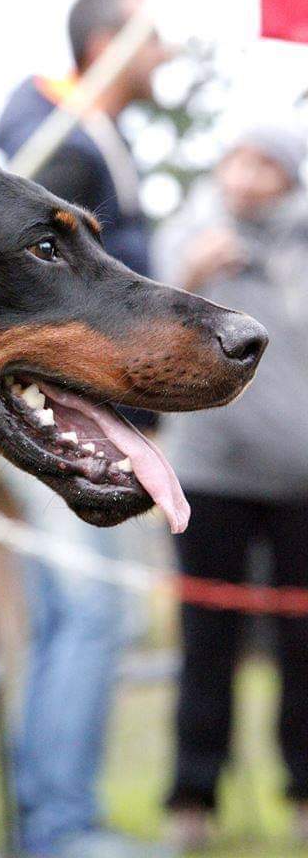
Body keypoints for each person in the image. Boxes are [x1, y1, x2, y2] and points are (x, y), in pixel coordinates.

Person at [0, 0, 172, 858]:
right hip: (64, 414)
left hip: (91, 415)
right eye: (152, 36)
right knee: (91, 613)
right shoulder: (57, 141)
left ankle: (51, 819)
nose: (166, 53)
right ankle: (61, 828)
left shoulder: (93, 136)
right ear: (108, 44)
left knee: (80, 616)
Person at [152, 121, 308, 850]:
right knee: (206, 642)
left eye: (263, 164)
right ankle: (193, 799)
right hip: (209, 478)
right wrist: (190, 278)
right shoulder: (186, 233)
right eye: (236, 160)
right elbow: (142, 334)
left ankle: (304, 794)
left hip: (300, 482)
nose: (245, 177)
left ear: (289, 177)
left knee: (304, 647)